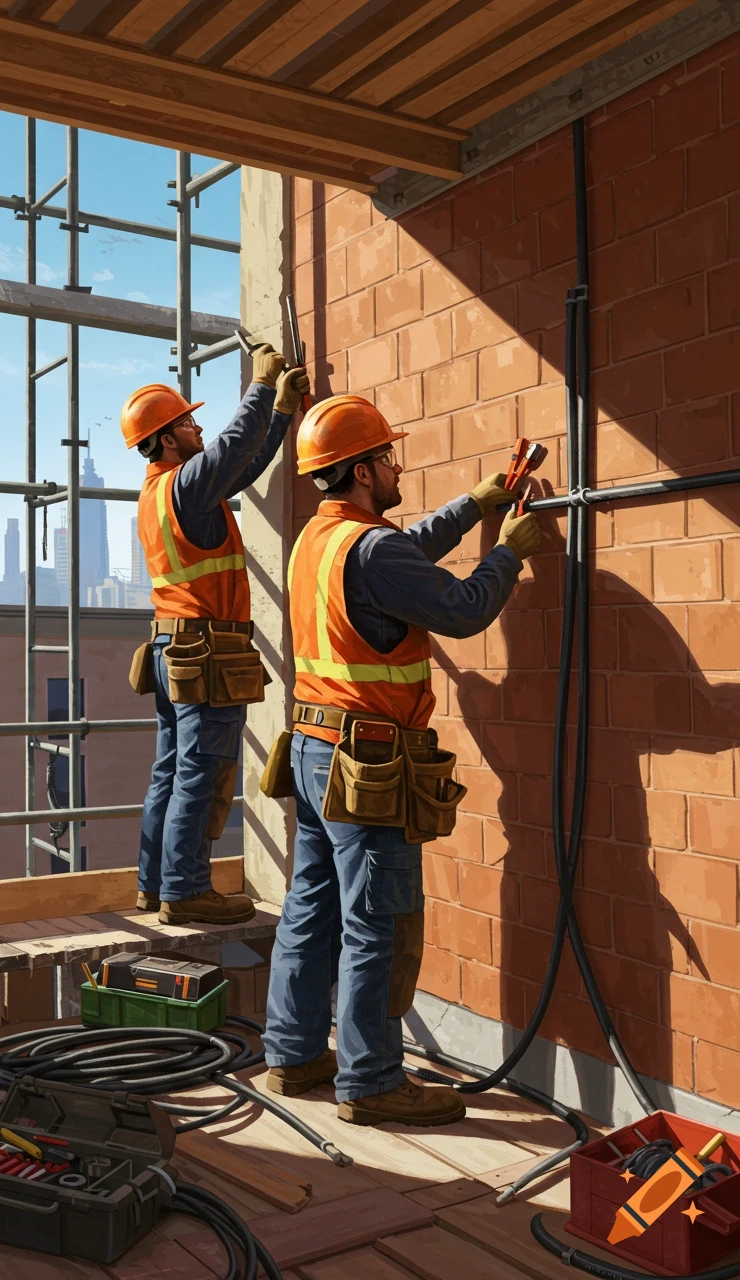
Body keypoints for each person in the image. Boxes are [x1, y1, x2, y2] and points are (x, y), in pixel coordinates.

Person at [262, 394, 542, 1126]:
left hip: (315, 751)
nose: (395, 466)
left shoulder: (319, 541)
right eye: (385, 457)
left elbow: (403, 553)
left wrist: (474, 502)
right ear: (359, 471)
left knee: (310, 906)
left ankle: (291, 1056)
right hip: (369, 762)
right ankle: (373, 1081)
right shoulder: (374, 548)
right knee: (378, 920)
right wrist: (511, 549)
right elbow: (461, 608)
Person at [121, 348, 309, 926]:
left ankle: (154, 885)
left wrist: (280, 412)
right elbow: (230, 448)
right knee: (201, 772)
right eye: (188, 421)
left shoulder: (163, 492)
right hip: (203, 651)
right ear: (168, 438)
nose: (197, 425)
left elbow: (242, 467)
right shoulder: (186, 484)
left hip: (170, 648)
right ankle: (186, 889)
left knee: (171, 771)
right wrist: (260, 384)